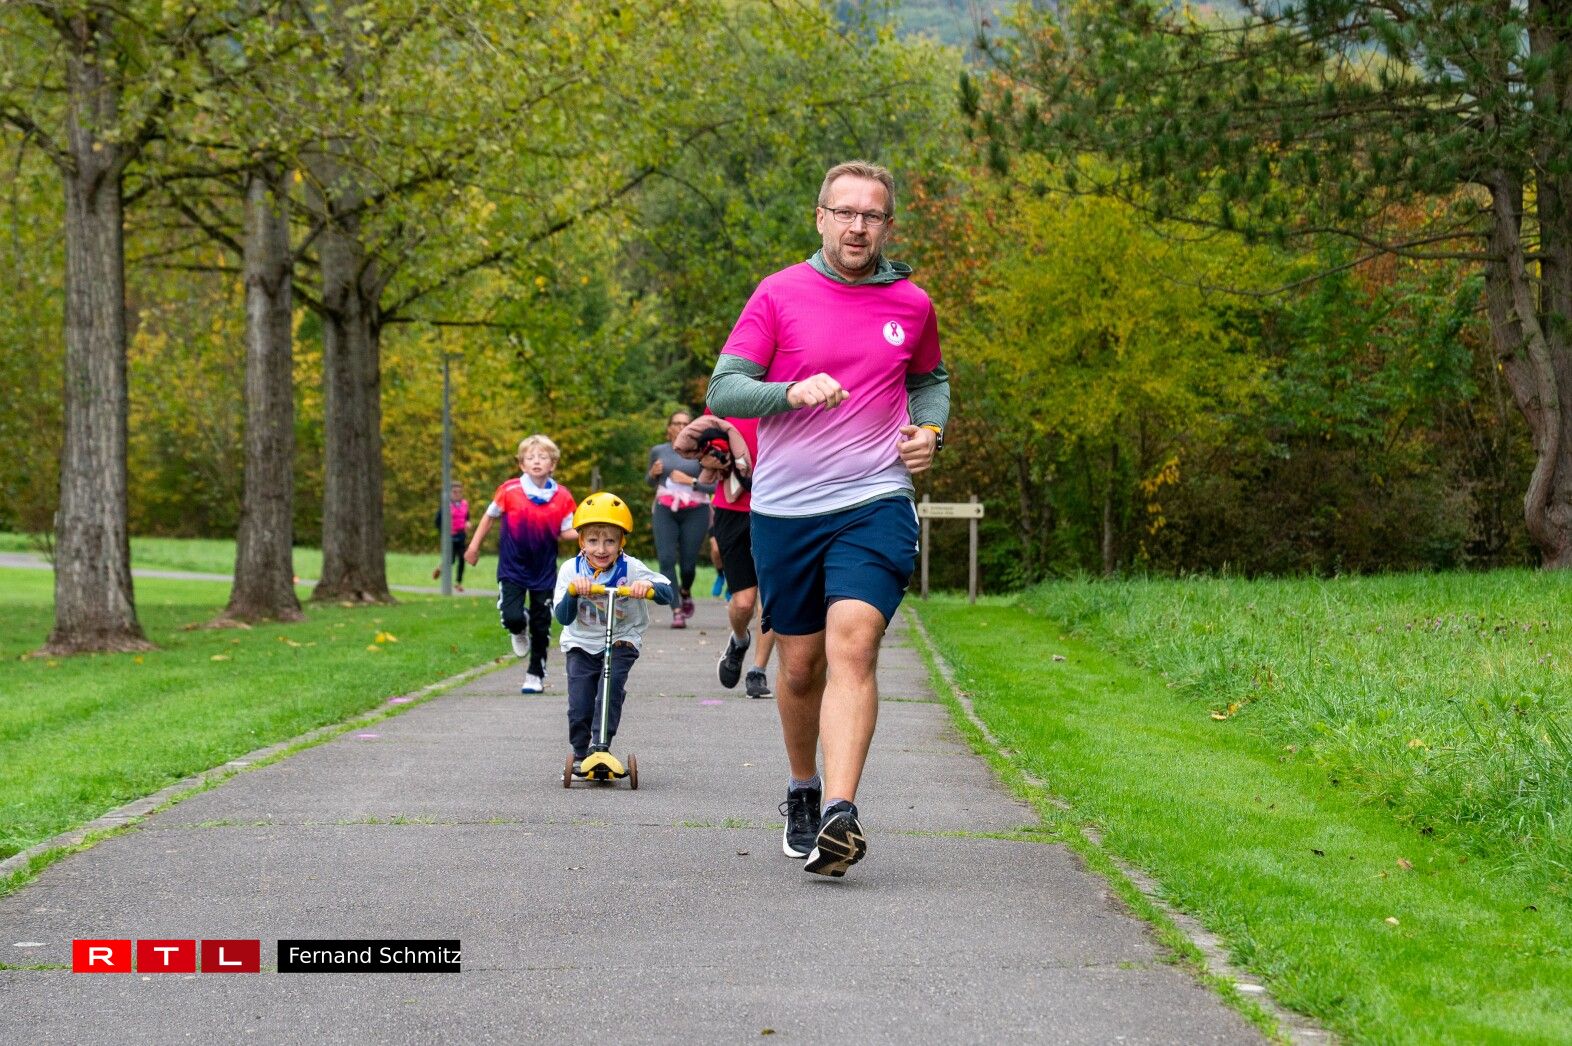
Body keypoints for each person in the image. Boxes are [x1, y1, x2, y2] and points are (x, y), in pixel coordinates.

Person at [705, 160, 949, 878]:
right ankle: (804, 789)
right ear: (821, 218)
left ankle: (842, 813)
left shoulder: (912, 304)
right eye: (844, 212)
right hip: (786, 510)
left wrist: (930, 433)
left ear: (888, 225)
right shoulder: (779, 293)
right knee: (801, 665)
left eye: (871, 215)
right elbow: (725, 389)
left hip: (875, 499)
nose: (857, 226)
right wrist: (787, 392)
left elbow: (930, 380)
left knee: (856, 644)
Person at [553, 492, 676, 771]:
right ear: (581, 541)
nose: (601, 549)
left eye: (610, 541)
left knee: (610, 689)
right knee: (580, 703)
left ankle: (601, 747)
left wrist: (648, 587)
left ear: (621, 542)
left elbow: (667, 593)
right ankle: (581, 752)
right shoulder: (571, 570)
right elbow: (563, 617)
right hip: (581, 642)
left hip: (622, 639)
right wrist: (573, 593)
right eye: (593, 541)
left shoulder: (631, 568)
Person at [465, 435, 577, 694]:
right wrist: (473, 546)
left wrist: (590, 531)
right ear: (522, 464)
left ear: (553, 464)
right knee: (513, 616)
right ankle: (518, 626)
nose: (536, 461)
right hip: (512, 567)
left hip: (544, 569)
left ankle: (535, 675)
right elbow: (489, 517)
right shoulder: (509, 490)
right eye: (530, 457)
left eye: (542, 457)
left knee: (542, 624)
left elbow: (566, 532)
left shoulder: (562, 496)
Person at [674, 414, 774, 699]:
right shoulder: (725, 399)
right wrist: (709, 458)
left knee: (771, 597)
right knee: (743, 603)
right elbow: (695, 441)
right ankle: (739, 640)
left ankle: (757, 670)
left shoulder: (785, 396)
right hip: (732, 510)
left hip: (777, 508)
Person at [646, 410, 714, 628]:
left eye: (686, 423)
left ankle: (685, 590)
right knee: (666, 559)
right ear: (669, 428)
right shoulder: (658, 451)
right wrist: (653, 474)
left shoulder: (703, 452)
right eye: (676, 423)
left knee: (688, 565)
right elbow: (649, 482)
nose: (681, 427)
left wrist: (690, 481)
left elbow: (714, 487)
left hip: (696, 510)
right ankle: (676, 610)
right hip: (665, 508)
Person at [432, 480, 470, 592]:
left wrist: (468, 523)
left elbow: (467, 517)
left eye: (459, 492)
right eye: (454, 492)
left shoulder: (464, 504)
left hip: (461, 535)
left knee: (462, 558)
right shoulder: (446, 505)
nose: (457, 494)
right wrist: (444, 533)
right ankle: (441, 568)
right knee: (451, 560)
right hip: (449, 537)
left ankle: (458, 583)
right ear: (450, 493)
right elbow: (437, 521)